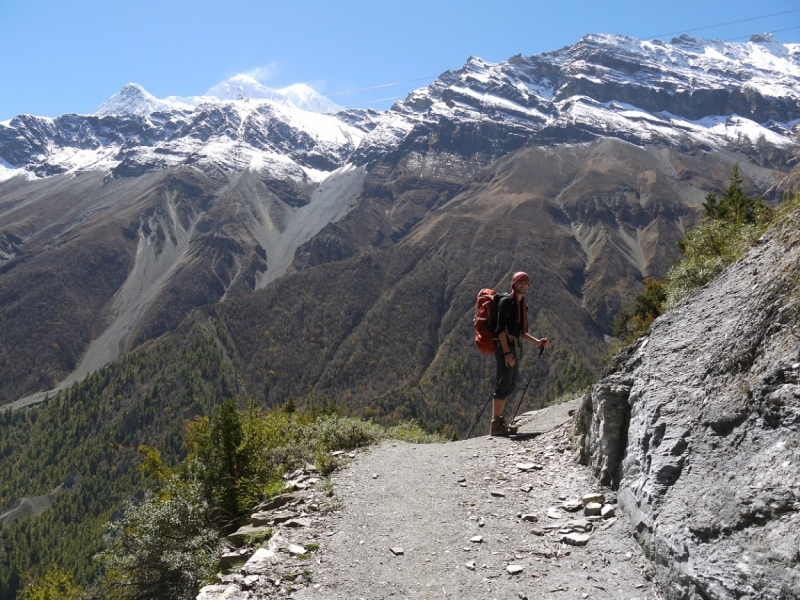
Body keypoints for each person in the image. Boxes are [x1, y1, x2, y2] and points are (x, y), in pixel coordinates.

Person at [490, 271, 549, 436]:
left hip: (514, 347)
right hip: (506, 347)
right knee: (502, 384)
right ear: (513, 284)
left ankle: (500, 421)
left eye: (526, 282)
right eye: (520, 282)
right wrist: (507, 353)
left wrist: (538, 342)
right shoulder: (507, 302)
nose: (523, 284)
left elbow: (522, 332)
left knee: (509, 383)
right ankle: (496, 424)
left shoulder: (522, 305)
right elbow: (499, 329)